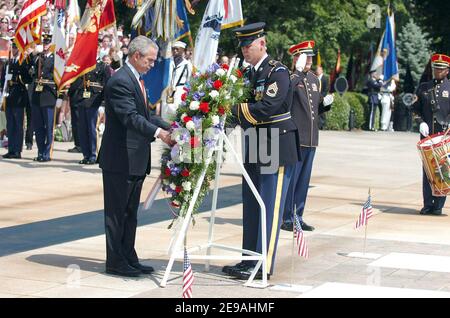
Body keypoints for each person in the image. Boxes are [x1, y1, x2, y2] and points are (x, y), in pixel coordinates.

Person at [223, 22, 299, 280]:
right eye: (242, 46)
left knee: (269, 206)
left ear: (262, 44)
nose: (245, 50)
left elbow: (267, 107)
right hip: (254, 142)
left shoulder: (277, 71)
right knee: (252, 205)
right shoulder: (247, 74)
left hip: (275, 143)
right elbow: (240, 104)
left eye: (249, 45)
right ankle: (248, 260)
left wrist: (230, 112)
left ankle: (262, 265)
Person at [98, 36, 173, 277]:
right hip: (120, 159)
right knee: (117, 213)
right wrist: (160, 133)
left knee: (130, 213)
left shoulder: (137, 79)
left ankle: (128, 256)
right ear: (136, 56)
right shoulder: (120, 80)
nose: (152, 64)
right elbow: (130, 117)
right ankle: (115, 261)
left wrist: (170, 125)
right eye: (149, 60)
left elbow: (146, 115)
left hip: (135, 159)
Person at [281, 40, 334, 232]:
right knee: (291, 179)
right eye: (306, 56)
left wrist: (326, 103)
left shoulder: (313, 79)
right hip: (295, 137)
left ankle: (298, 216)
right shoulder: (289, 76)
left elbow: (316, 108)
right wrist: (297, 71)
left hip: (311, 137)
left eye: (310, 56)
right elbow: (285, 96)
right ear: (296, 57)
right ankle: (286, 217)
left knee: (303, 181)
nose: (310, 59)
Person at [413, 53, 450, 216]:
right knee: (427, 170)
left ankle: (438, 205)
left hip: (444, 136)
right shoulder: (423, 88)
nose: (437, 71)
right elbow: (414, 109)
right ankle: (428, 203)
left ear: (447, 71)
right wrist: (420, 121)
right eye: (435, 68)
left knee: (442, 170)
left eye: (441, 69)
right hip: (427, 136)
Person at [68, 60, 111, 164]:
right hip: (82, 99)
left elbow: (107, 85)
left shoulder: (102, 66)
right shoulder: (82, 64)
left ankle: (93, 155)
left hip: (95, 100)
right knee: (82, 129)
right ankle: (86, 155)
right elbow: (75, 81)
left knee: (92, 129)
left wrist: (103, 104)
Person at [1, 42, 32, 159]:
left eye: (16, 47)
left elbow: (28, 79)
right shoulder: (8, 63)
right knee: (10, 125)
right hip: (9, 96)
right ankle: (11, 149)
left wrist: (24, 67)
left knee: (18, 125)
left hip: (19, 96)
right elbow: (3, 79)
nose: (14, 49)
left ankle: (17, 150)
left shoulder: (22, 62)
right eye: (13, 47)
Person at [30, 33, 57, 162]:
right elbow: (28, 68)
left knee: (48, 126)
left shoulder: (55, 59)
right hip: (37, 96)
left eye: (48, 43)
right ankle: (41, 152)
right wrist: (33, 53)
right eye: (44, 43)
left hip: (48, 96)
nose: (45, 45)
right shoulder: (37, 58)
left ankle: (47, 153)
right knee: (38, 127)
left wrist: (60, 96)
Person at [160, 40, 192, 122]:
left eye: (177, 49)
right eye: (173, 49)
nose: (175, 51)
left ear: (183, 51)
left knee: (175, 114)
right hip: (167, 91)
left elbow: (189, 80)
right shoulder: (168, 62)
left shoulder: (187, 64)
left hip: (179, 91)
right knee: (164, 114)